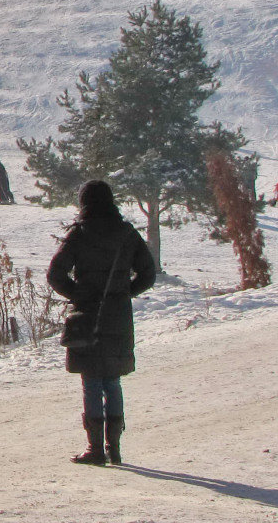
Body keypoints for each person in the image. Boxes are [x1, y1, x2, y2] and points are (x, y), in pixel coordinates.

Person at [47, 180, 157, 467]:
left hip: (87, 315)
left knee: (91, 380)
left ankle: (95, 448)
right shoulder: (127, 233)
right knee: (112, 379)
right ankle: (115, 447)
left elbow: (55, 274)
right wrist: (122, 294)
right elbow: (148, 274)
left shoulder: (79, 235)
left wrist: (79, 295)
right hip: (118, 316)